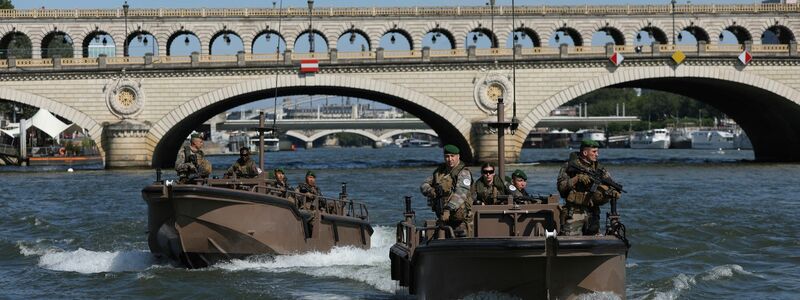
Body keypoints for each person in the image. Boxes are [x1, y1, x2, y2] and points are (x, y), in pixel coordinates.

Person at [557, 140, 622, 236]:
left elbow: (609, 182)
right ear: (585, 152)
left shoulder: (599, 169)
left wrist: (612, 191)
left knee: (594, 244)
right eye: (594, 152)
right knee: (570, 243)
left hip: (593, 213)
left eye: (597, 151)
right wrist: (577, 178)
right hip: (574, 212)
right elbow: (561, 187)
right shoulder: (570, 166)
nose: (597, 154)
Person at [420, 144, 473, 236]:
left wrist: (448, 209)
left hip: (460, 221)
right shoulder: (440, 172)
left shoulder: (463, 172)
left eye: (452, 156)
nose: (450, 159)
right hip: (442, 218)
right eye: (447, 156)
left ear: (458, 156)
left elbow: (461, 192)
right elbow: (423, 185)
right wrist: (431, 191)